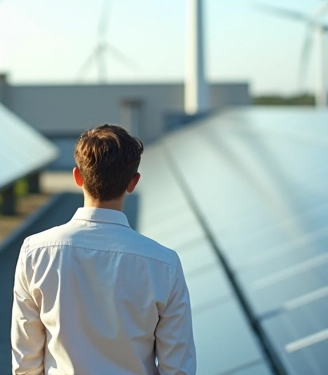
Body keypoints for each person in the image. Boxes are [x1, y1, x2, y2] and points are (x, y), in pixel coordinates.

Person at [11, 124, 196, 375]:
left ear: (78, 177)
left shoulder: (35, 252)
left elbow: (26, 362)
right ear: (133, 182)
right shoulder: (164, 264)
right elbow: (177, 368)